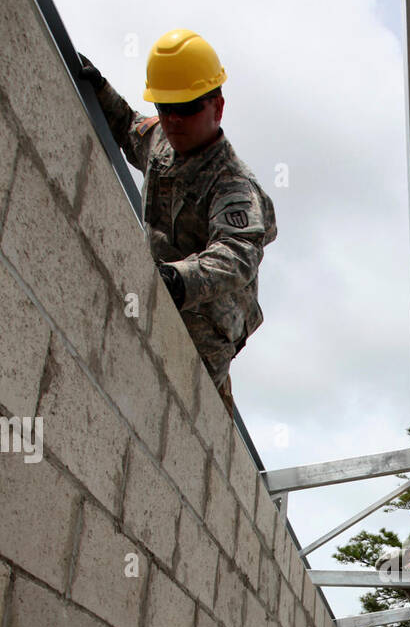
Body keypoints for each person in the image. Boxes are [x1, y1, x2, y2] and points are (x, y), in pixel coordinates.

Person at [79, 28, 277, 415]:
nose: (173, 119)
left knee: (183, 415)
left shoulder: (232, 183)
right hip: (159, 298)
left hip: (207, 329)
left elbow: (236, 255)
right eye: (165, 106)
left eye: (186, 108)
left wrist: (177, 278)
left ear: (217, 108)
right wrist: (100, 89)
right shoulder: (161, 138)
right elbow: (127, 126)